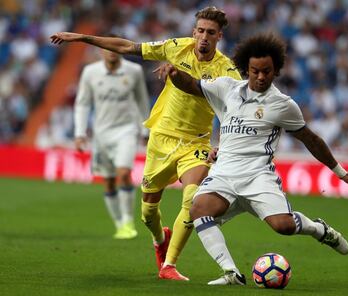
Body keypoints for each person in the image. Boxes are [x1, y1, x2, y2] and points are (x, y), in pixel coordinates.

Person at [50, 7, 241, 281]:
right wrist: (81, 37)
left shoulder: (227, 70)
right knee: (148, 211)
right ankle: (158, 239)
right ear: (193, 32)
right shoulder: (176, 47)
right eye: (200, 31)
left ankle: (170, 265)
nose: (204, 37)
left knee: (192, 199)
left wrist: (222, 143)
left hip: (195, 143)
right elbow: (128, 46)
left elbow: (233, 111)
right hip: (162, 138)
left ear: (219, 36)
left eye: (211, 33)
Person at [159, 33, 348, 285]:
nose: (261, 76)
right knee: (198, 208)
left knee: (284, 227)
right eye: (255, 71)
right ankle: (231, 273)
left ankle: (319, 229)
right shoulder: (227, 88)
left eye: (267, 71)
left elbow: (311, 139)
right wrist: (175, 74)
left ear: (276, 70)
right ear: (246, 69)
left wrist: (341, 172)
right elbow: (193, 85)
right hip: (223, 174)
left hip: (258, 177)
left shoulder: (282, 105)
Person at [74, 43, 150, 240]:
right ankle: (118, 224)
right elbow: (82, 103)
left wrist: (145, 128)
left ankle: (127, 221)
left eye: (115, 47)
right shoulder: (91, 72)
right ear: (101, 50)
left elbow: (142, 100)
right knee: (108, 181)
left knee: (124, 173)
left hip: (126, 130)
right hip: (101, 134)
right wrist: (80, 132)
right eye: (107, 47)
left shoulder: (133, 71)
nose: (111, 50)